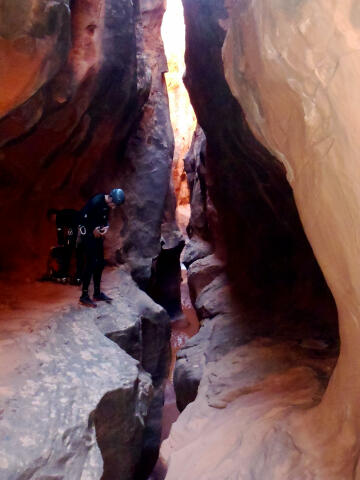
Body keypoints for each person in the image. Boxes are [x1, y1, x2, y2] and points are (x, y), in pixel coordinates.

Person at [78, 188, 125, 308]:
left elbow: (104, 219)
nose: (114, 207)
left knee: (100, 263)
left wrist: (106, 227)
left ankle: (97, 293)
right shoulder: (96, 201)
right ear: (110, 198)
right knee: (90, 264)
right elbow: (83, 218)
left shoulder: (107, 205)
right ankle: (84, 296)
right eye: (114, 204)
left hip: (97, 237)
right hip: (87, 236)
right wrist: (92, 229)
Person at [45, 208, 82, 284]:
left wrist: (68, 240)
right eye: (51, 220)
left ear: (54, 215)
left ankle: (77, 276)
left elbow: (72, 227)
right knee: (67, 248)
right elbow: (60, 233)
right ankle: (65, 273)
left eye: (52, 218)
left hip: (81, 228)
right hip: (75, 230)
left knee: (72, 249)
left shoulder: (63, 215)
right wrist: (60, 244)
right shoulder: (59, 221)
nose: (53, 221)